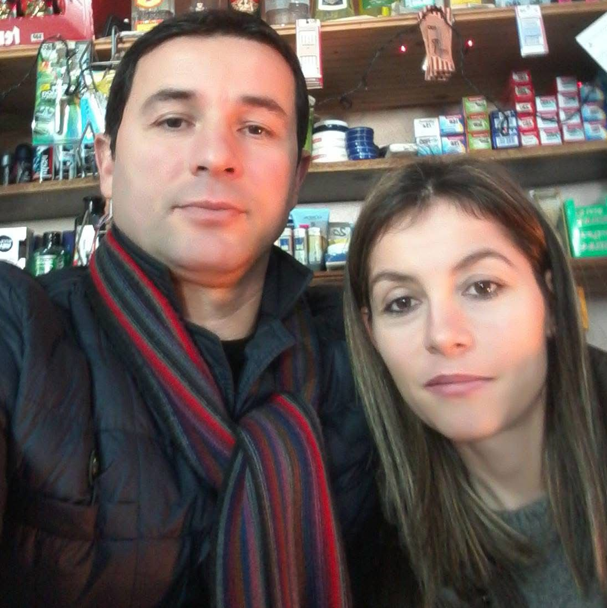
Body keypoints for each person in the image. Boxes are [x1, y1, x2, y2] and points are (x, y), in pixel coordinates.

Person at [0, 10, 375, 606]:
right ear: (107, 164)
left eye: (256, 128)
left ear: (297, 179)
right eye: (174, 121)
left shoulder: (366, 356)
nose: (216, 156)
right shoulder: (20, 330)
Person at [344, 158, 607, 608]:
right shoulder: (371, 555)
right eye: (402, 303)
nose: (443, 335)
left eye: (483, 287)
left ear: (550, 301)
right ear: (372, 336)